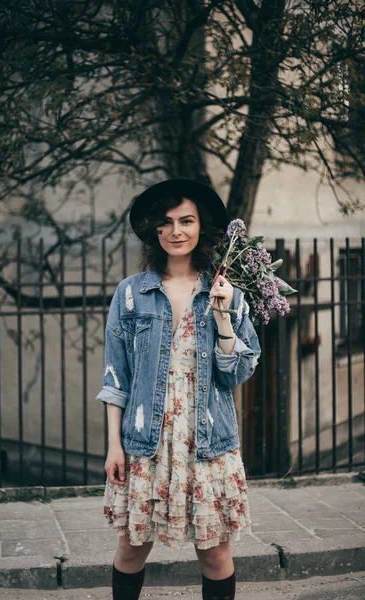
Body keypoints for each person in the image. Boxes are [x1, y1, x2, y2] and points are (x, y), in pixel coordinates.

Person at [96, 177, 261, 600]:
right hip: (146, 443)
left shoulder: (228, 294)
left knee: (215, 555)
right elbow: (116, 377)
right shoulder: (131, 295)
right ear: (155, 231)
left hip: (207, 443)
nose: (176, 231)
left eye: (186, 221)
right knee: (132, 548)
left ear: (200, 227)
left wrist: (224, 317)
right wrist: (114, 446)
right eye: (166, 223)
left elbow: (236, 374)